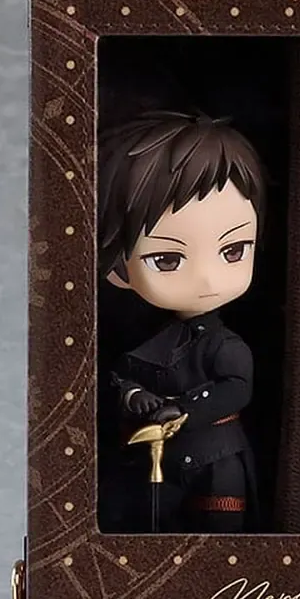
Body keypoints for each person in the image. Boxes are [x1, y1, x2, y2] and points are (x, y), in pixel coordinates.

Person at [98, 111, 264, 533]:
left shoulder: (225, 345)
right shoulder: (146, 338)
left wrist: (185, 408)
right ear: (117, 269)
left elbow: (237, 388)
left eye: (233, 251)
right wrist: (133, 394)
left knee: (221, 531)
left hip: (216, 456)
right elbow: (122, 375)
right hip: (157, 460)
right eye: (168, 259)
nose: (207, 279)